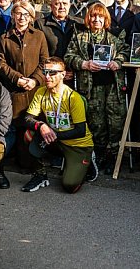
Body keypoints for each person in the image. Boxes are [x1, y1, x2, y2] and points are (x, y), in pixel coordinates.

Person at [65, 3, 129, 177]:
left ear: (106, 19)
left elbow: (127, 52)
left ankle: (114, 157)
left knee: (115, 122)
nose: (96, 19)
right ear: (88, 18)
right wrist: (84, 64)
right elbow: (68, 57)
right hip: (91, 88)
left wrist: (118, 62)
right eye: (93, 16)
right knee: (96, 122)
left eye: (100, 16)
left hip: (113, 88)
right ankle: (99, 155)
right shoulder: (80, 37)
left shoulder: (115, 36)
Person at [20, 57, 94, 193]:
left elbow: (80, 131)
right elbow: (27, 119)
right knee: (29, 134)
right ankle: (40, 175)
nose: (47, 77)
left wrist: (54, 134)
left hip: (78, 145)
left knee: (70, 186)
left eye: (52, 73)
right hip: (56, 140)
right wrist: (41, 126)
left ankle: (86, 162)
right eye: (45, 72)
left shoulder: (73, 97)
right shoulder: (41, 92)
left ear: (63, 74)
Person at [0, 1, 48, 168]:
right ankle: (19, 161)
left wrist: (34, 80)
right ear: (12, 15)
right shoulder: (5, 38)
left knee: (35, 125)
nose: (22, 17)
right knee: (17, 125)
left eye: (26, 14)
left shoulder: (39, 36)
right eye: (18, 13)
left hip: (35, 90)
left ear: (31, 17)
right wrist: (17, 79)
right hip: (15, 90)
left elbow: (45, 61)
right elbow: (1, 64)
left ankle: (36, 162)